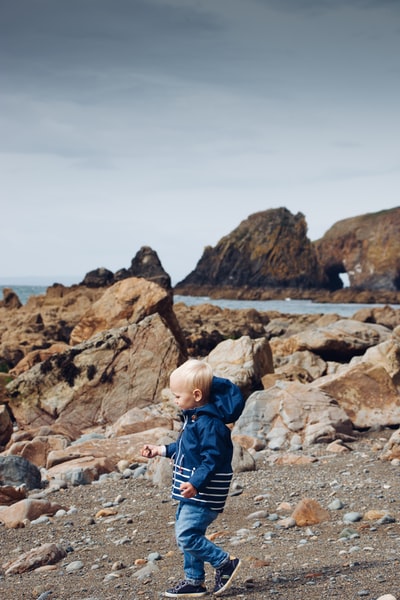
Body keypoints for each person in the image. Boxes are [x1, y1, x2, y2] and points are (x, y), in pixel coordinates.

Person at [141, 359, 245, 598]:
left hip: (204, 492)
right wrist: (160, 450)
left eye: (178, 396)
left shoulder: (209, 424)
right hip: (192, 491)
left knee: (186, 535)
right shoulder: (195, 418)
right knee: (186, 533)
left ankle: (224, 563)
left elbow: (212, 459)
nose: (176, 401)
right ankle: (194, 581)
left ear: (196, 394)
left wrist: (196, 483)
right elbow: (184, 447)